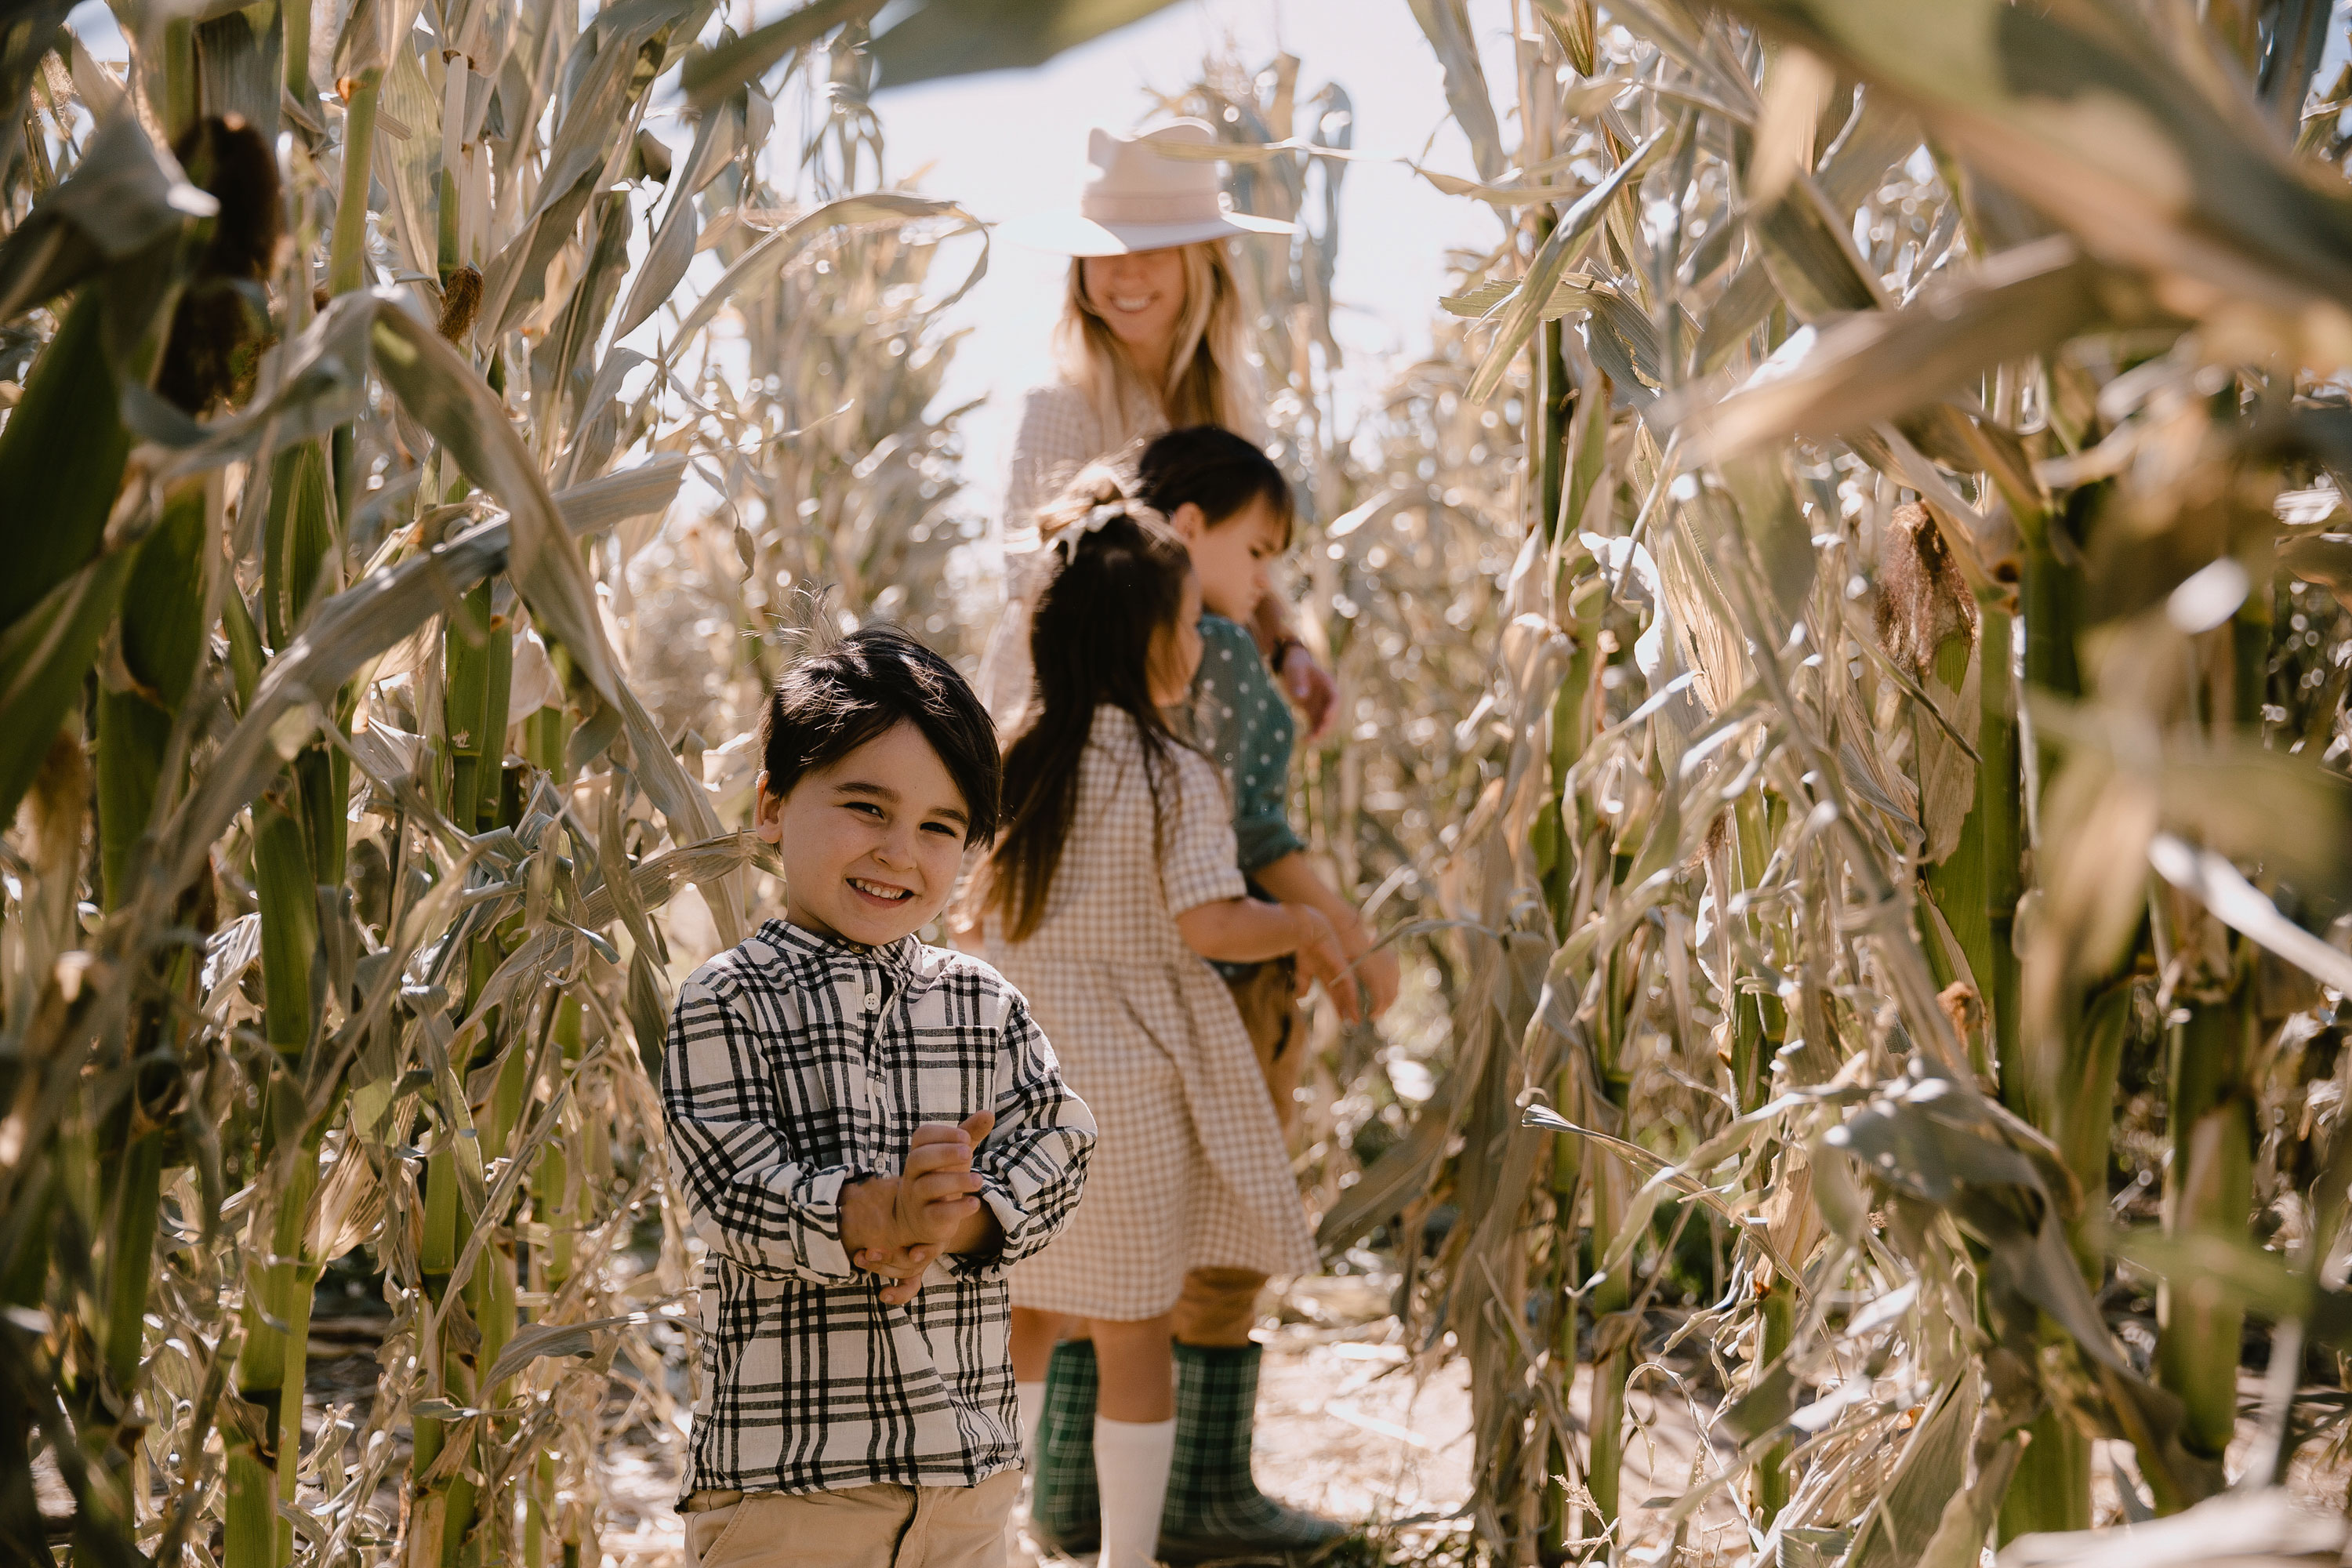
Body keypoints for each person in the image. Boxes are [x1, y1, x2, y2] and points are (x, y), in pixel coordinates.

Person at [1020, 432, 1400, 1560]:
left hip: (1028, 1082)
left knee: (1032, 1308)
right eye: (1193, 624)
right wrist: (1308, 927)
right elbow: (1216, 906)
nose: (1217, 632)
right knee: (1146, 1311)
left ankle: (1015, 1524)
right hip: (1138, 1072)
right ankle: (1149, 1537)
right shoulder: (1171, 767)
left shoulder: (1019, 754)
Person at [662, 626, 1097, 1568]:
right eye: (868, 806)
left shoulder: (982, 1003)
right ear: (774, 804)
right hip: (793, 1484)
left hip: (963, 1479)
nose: (901, 851)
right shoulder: (727, 998)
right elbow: (732, 1187)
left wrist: (967, 1213)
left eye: (941, 826)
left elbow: (1062, 1135)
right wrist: (878, 1211)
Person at [982, 118, 1338, 740]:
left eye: (1150, 250)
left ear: (1201, 263)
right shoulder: (1059, 403)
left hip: (1182, 714)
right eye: (1104, 251)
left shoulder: (1231, 398)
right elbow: (1036, 587)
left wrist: (1286, 648)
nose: (1124, 275)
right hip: (1065, 721)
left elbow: (1244, 550)